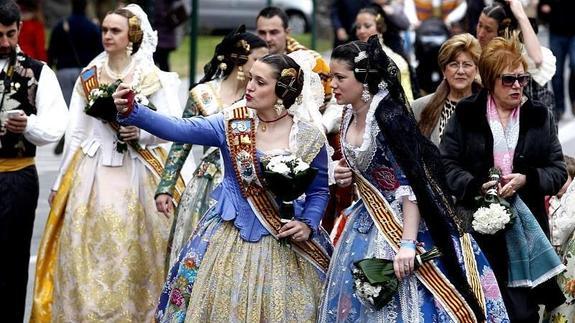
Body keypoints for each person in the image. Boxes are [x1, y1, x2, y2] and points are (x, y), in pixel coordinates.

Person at [114, 53, 332, 322]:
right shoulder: (231, 122)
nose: (249, 86)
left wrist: (308, 224)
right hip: (230, 233)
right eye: (251, 77)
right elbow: (178, 129)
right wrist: (133, 110)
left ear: (282, 91)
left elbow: (320, 190)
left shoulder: (309, 135)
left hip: (286, 240)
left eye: (260, 82)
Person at [319, 37, 508, 322]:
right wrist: (349, 174)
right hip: (367, 218)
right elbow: (368, 166)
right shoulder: (348, 112)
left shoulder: (388, 116)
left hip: (407, 221)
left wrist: (408, 243)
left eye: (340, 77)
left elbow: (410, 182)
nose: (332, 84)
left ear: (364, 79)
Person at [30, 4, 182, 321]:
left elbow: (172, 127)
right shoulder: (89, 76)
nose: (107, 35)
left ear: (132, 37)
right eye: (105, 30)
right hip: (93, 169)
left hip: (139, 173)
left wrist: (140, 133)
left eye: (115, 30)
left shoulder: (151, 78)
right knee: (88, 252)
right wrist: (60, 183)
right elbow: (76, 132)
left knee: (134, 249)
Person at [440, 35, 567, 321]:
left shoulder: (538, 115)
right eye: (508, 80)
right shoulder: (467, 113)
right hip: (479, 229)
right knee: (484, 309)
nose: (518, 86)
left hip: (528, 228)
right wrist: (475, 186)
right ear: (489, 79)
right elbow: (447, 164)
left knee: (524, 313)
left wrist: (527, 179)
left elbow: (558, 170)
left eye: (522, 79)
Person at [155, 26, 268, 268]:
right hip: (207, 181)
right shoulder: (203, 94)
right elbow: (180, 144)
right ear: (239, 60)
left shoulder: (262, 97)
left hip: (248, 180)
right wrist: (165, 186)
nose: (263, 65)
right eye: (258, 59)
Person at [0, 1, 68, 321]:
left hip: (17, 177)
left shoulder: (39, 72)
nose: (4, 42)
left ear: (19, 30)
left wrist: (29, 126)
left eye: (10, 34)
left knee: (12, 264)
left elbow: (56, 127)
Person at [477, 0, 557, 120]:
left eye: (488, 30)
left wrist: (520, 13)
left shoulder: (518, 55)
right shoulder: (474, 50)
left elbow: (537, 58)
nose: (481, 33)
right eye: (479, 25)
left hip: (530, 119)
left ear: (501, 33)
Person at [48, 0, 103, 154]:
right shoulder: (92, 27)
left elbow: (52, 50)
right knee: (84, 107)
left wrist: (50, 69)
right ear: (86, 7)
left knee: (67, 108)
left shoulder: (61, 26)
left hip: (64, 71)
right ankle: (79, 136)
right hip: (86, 73)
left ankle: (67, 134)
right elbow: (100, 52)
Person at [413, 33, 481, 145]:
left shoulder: (488, 106)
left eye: (467, 65)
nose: (460, 71)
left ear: (476, 70)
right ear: (444, 70)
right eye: (454, 64)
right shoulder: (419, 108)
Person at [355, 4, 415, 102]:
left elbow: (407, 100)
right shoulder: (352, 57)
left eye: (367, 26)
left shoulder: (396, 61)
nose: (361, 31)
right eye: (358, 27)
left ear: (380, 28)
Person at [545, 156, 575, 322]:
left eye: (562, 178)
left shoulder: (571, 199)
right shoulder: (554, 199)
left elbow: (562, 229)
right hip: (560, 261)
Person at [539, 0, 575, 121]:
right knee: (556, 72)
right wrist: (545, 13)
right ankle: (559, 107)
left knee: (574, 65)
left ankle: (574, 101)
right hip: (556, 32)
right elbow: (541, 7)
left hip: (573, 34)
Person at [153, 0, 189, 71]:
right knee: (160, 61)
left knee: (161, 60)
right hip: (160, 33)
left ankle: (165, 80)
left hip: (164, 34)